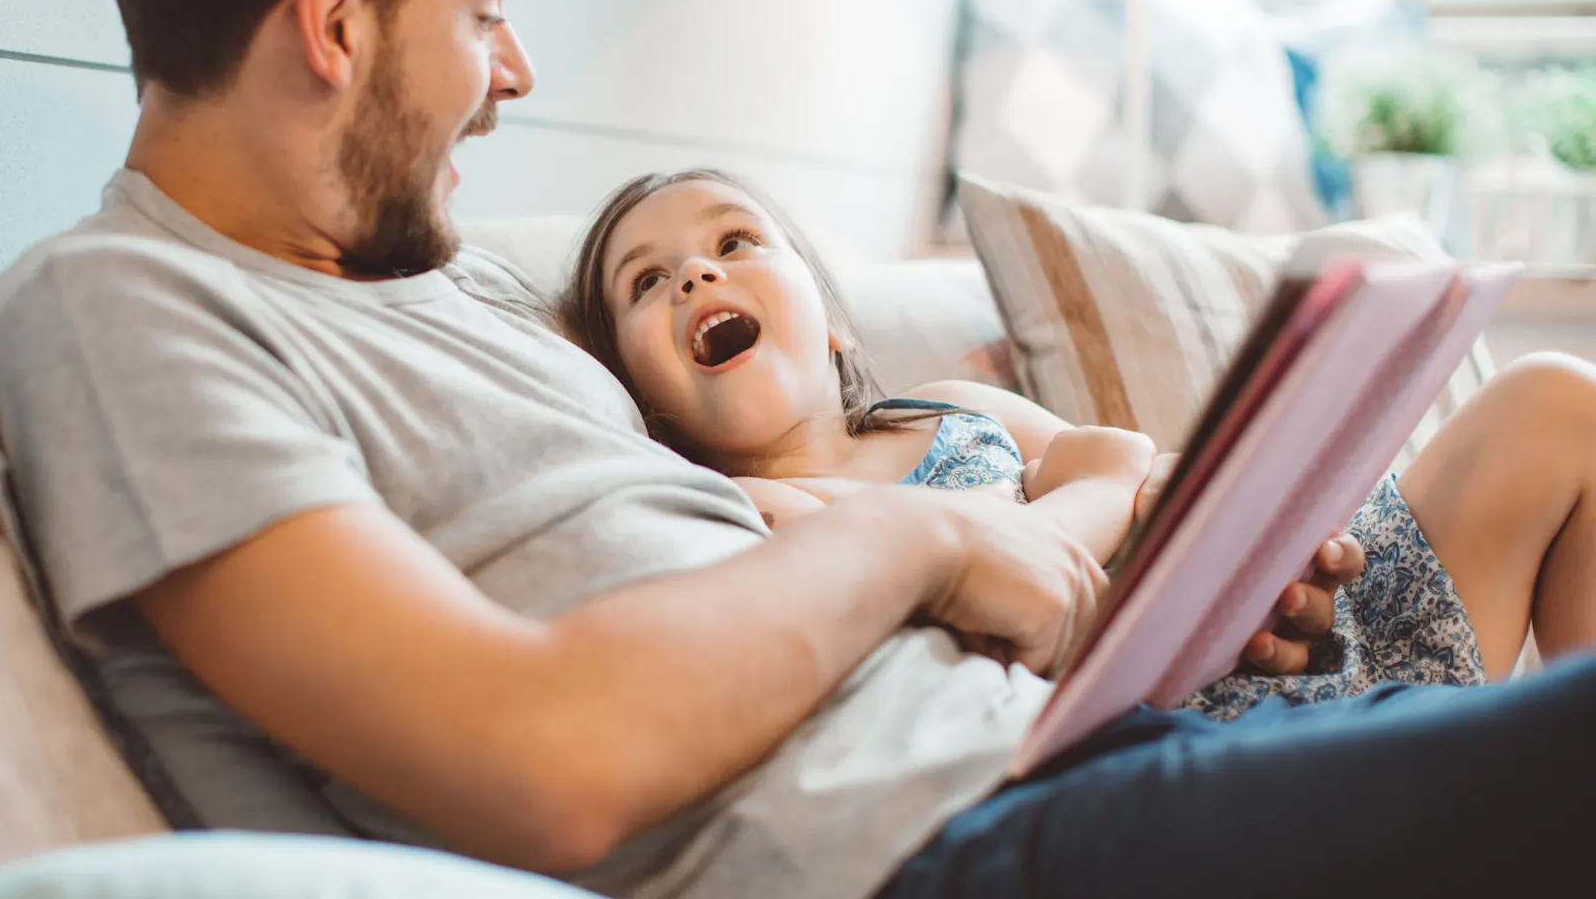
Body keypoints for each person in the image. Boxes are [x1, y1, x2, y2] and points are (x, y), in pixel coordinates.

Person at [0, 0, 1596, 897]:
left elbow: (713, 545)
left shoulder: (439, 295)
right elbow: (548, 760)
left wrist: (1166, 577)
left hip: (1074, 753)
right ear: (336, 22)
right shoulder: (117, 315)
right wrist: (937, 534)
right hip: (938, 853)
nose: (513, 71)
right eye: (484, 11)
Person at [559, 167, 1596, 716]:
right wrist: (1101, 482)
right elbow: (1084, 478)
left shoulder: (949, 408)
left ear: (831, 320)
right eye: (648, 282)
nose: (698, 275)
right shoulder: (743, 514)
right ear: (640, 400)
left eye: (736, 242)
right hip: (1180, 726)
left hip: (1280, 640)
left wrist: (1264, 541)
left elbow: (1138, 469)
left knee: (1557, 401)